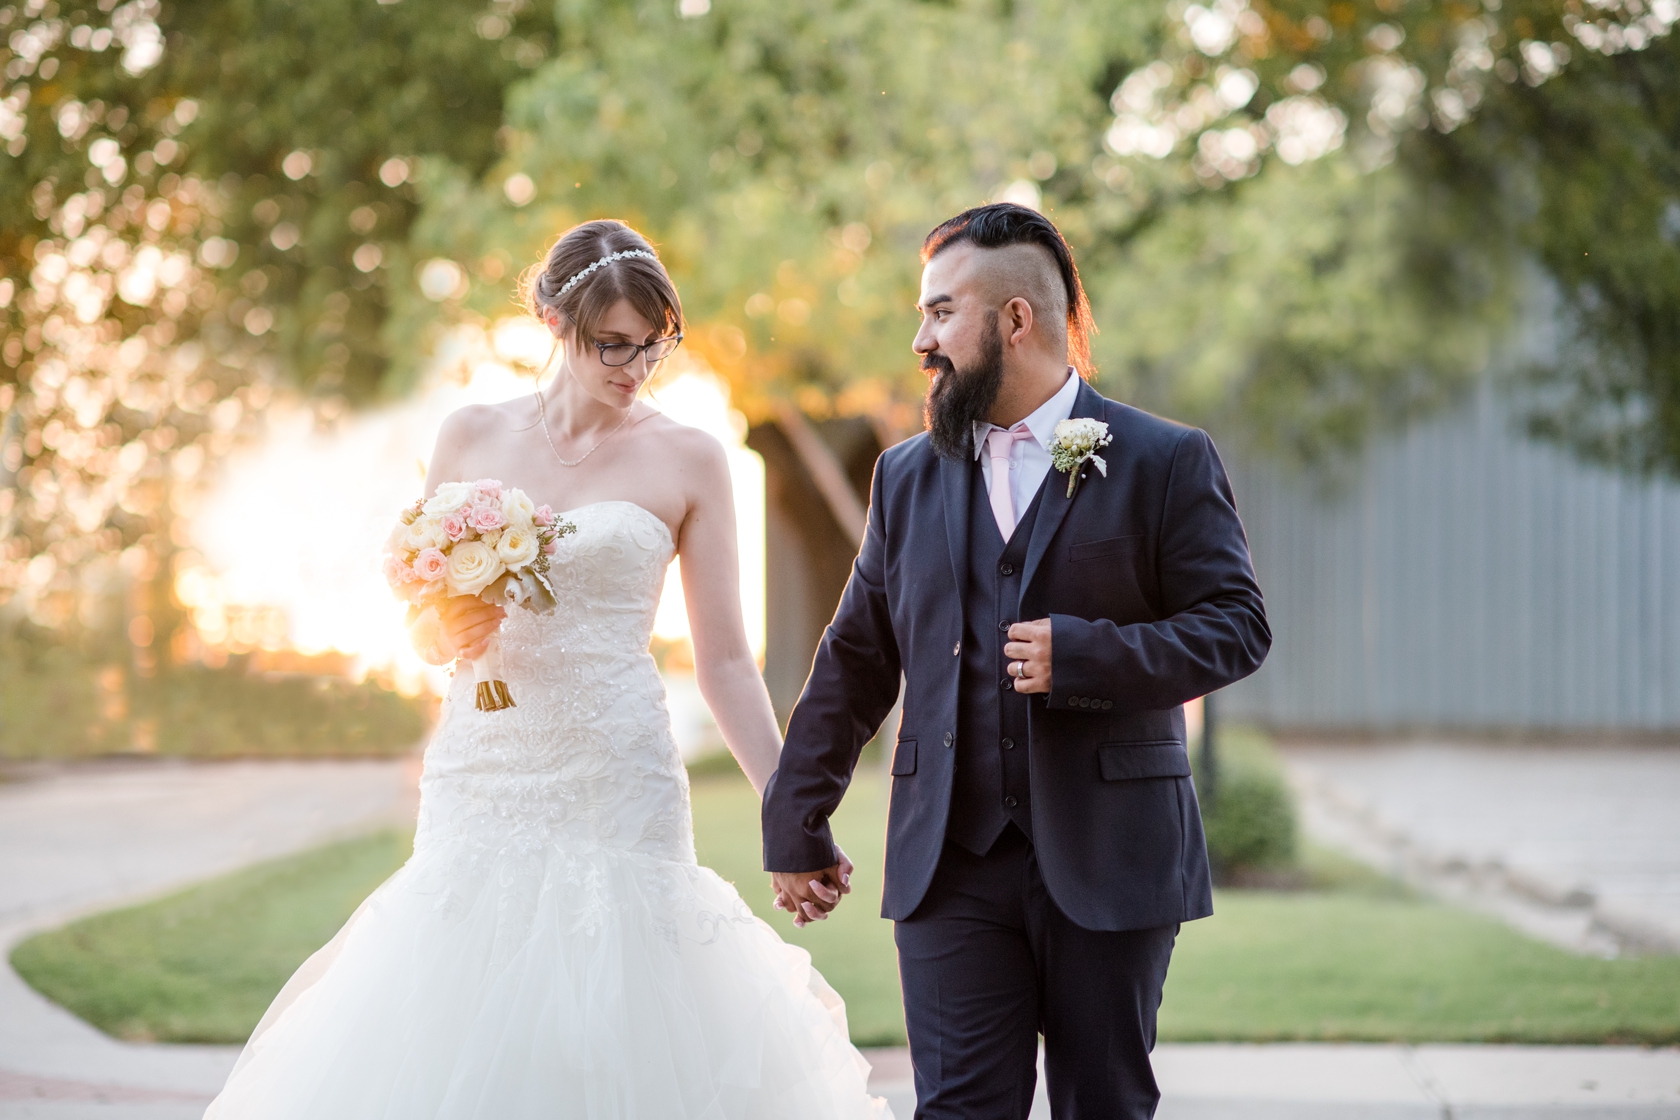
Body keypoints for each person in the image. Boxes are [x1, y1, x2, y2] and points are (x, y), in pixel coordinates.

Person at [205, 219, 889, 1120]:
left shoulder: (689, 457)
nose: (634, 368)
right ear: (551, 319)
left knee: (626, 1011)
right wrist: (441, 627)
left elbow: (724, 659)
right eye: (613, 344)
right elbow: (423, 626)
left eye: (654, 348)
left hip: (617, 773)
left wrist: (787, 814)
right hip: (483, 769)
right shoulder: (468, 435)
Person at [762, 203, 1270, 1120]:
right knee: (957, 1107)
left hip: (1111, 852)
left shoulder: (1163, 460)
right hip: (949, 862)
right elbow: (857, 656)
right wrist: (796, 814)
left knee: (1104, 1104)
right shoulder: (905, 475)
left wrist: (1089, 655)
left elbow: (1238, 626)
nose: (921, 338)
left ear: (1016, 321)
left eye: (940, 313)